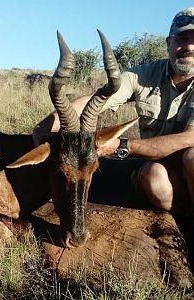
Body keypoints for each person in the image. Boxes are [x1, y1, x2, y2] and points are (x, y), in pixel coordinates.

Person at [32, 7, 194, 216]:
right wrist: (46, 125)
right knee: (152, 178)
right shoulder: (145, 75)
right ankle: (185, 222)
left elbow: (190, 139)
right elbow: (96, 100)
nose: (189, 47)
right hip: (164, 170)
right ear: (168, 43)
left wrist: (121, 146)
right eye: (182, 39)